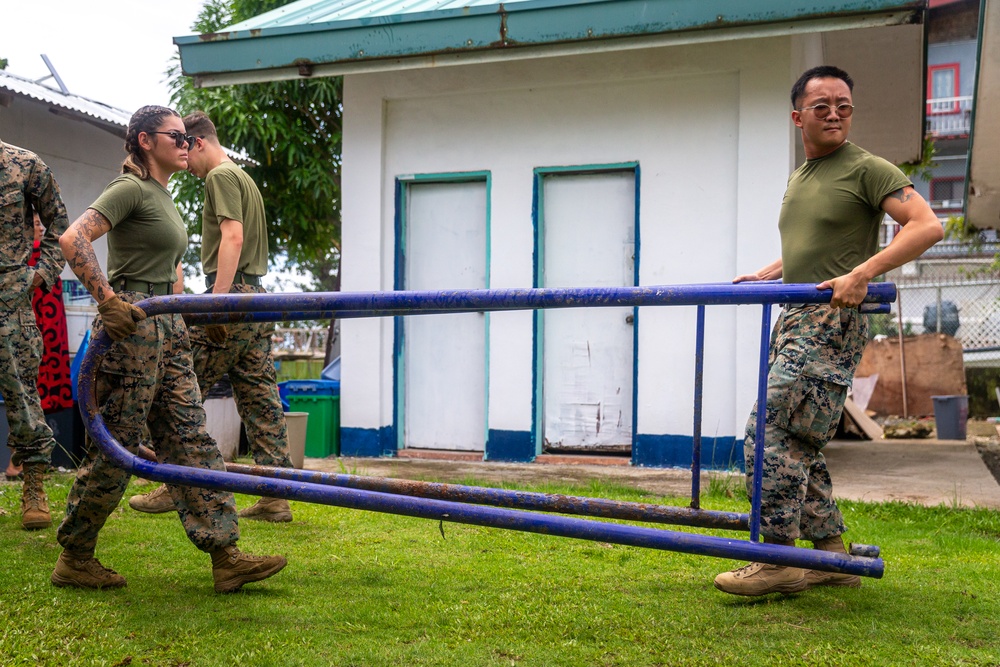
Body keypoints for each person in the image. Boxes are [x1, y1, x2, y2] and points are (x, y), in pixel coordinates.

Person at [714, 66, 944, 597]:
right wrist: (771, 273)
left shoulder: (867, 168)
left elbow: (927, 225)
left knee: (769, 432)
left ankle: (777, 559)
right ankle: (833, 559)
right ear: (799, 117)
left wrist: (864, 273)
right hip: (795, 314)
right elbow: (815, 244)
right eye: (822, 106)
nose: (835, 113)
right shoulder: (804, 175)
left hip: (829, 320)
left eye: (843, 104)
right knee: (798, 439)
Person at [53, 105, 287, 592]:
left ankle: (226, 556)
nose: (185, 144)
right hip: (132, 325)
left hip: (168, 322)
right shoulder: (129, 189)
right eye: (175, 137)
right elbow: (73, 239)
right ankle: (75, 554)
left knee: (191, 440)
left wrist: (199, 310)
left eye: (187, 137)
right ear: (144, 141)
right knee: (116, 450)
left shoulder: (163, 194)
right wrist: (109, 302)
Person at [128, 110, 294, 523]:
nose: (186, 160)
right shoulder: (243, 176)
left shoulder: (219, 176)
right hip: (255, 297)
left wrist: (217, 302)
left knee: (180, 386)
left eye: (187, 146)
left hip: (233, 297)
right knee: (259, 397)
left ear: (199, 142)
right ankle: (276, 495)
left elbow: (232, 235)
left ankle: (175, 482)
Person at [0, 137, 69, 529]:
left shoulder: (25, 165)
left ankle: (34, 488)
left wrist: (41, 274)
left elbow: (60, 224)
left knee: (22, 395)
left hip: (10, 299)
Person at [5, 213, 74, 480]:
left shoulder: (40, 257)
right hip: (37, 333)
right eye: (34, 224)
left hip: (47, 333)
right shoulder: (26, 257)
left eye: (40, 224)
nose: (39, 228)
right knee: (28, 393)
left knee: (29, 395)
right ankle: (18, 462)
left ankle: (23, 462)